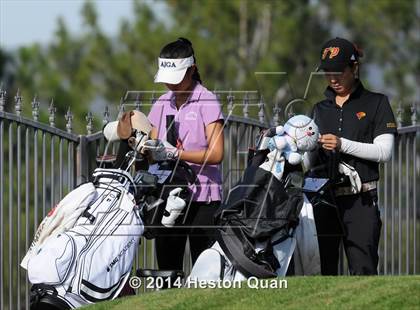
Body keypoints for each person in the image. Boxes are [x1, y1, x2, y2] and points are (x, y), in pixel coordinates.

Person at [310, 37, 397, 275]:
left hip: (361, 201)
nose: (333, 78)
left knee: (364, 272)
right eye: (327, 72)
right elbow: (309, 160)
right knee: (322, 274)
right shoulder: (319, 109)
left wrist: (341, 144)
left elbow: (384, 152)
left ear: (354, 68)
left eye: (339, 71)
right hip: (324, 201)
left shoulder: (377, 103)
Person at [146, 37, 224, 272]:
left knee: (206, 274)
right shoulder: (161, 103)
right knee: (167, 272)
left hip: (203, 200)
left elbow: (217, 153)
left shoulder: (208, 100)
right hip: (168, 195)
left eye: (176, 79)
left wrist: (178, 154)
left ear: (192, 70)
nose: (171, 86)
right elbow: (151, 147)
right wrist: (148, 149)